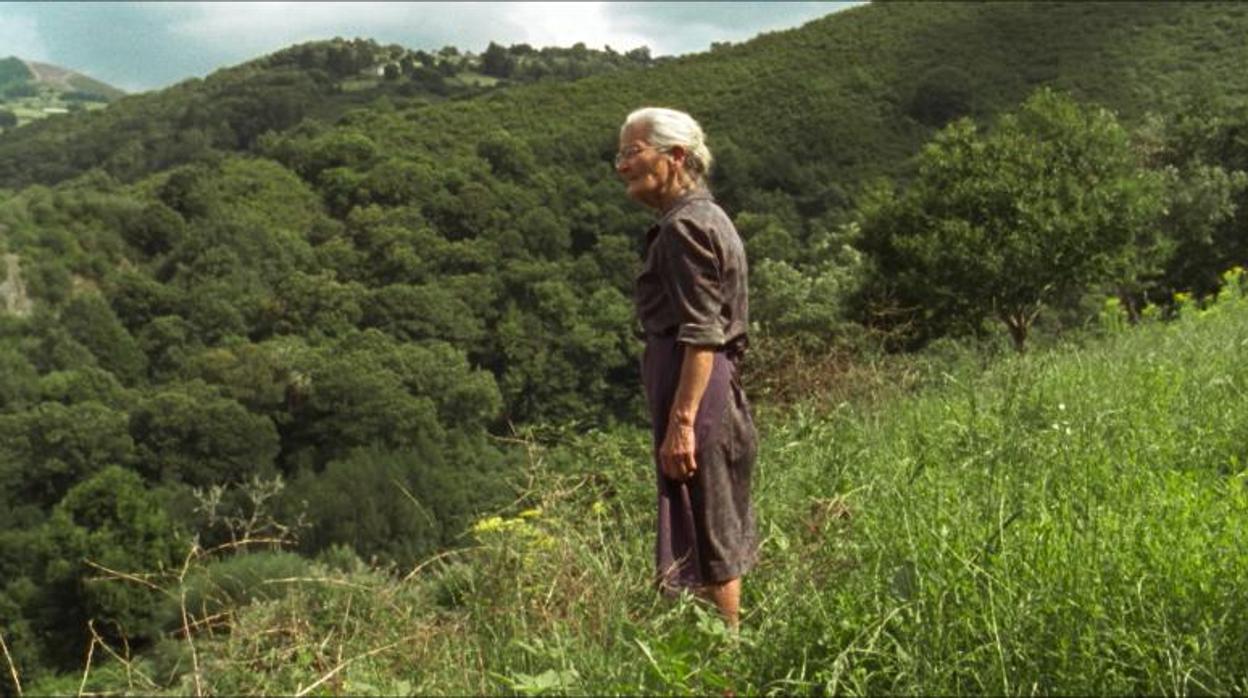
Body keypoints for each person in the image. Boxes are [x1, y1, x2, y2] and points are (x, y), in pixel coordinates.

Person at [616, 107, 758, 629]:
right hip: (702, 392)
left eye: (633, 152)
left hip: (699, 396)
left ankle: (725, 670)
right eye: (621, 154)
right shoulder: (702, 218)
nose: (622, 166)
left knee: (709, 533)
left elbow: (702, 334)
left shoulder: (686, 228)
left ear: (674, 157)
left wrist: (681, 423)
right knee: (710, 525)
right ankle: (718, 659)